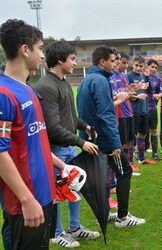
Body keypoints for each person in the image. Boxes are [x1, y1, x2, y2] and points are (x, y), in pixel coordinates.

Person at [0, 18, 68, 249]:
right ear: (25, 49)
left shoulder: (28, 89)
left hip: (43, 194)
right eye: (39, 48)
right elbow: (0, 153)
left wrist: (62, 165)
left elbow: (35, 142)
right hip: (24, 201)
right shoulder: (4, 94)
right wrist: (26, 199)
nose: (42, 55)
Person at [35, 41, 100, 247]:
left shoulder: (63, 81)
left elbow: (69, 116)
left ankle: (75, 228)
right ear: (60, 60)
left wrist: (85, 125)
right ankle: (57, 233)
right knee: (56, 194)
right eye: (72, 58)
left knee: (74, 188)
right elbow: (53, 128)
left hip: (68, 147)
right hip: (54, 150)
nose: (75, 62)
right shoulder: (46, 86)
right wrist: (81, 142)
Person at [77, 46, 146, 227]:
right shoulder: (100, 80)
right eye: (112, 60)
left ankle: (106, 213)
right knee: (124, 172)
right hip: (104, 139)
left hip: (92, 138)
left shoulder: (87, 80)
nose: (114, 63)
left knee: (102, 177)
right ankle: (122, 217)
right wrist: (115, 144)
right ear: (102, 61)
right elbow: (106, 113)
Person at [109, 51, 142, 175]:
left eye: (127, 63)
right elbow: (114, 96)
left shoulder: (124, 76)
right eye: (123, 62)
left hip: (129, 112)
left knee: (129, 141)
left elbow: (127, 95)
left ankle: (127, 165)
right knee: (120, 144)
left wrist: (134, 91)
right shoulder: (111, 76)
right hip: (119, 114)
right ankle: (120, 170)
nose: (125, 65)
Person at [127, 56, 156, 165]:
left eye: (141, 66)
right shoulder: (128, 76)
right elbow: (127, 93)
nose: (138, 68)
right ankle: (130, 162)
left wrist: (148, 78)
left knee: (143, 134)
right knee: (132, 137)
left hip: (144, 110)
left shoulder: (143, 76)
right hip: (134, 111)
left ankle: (141, 158)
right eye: (137, 65)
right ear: (132, 64)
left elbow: (150, 91)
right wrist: (137, 97)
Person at [144, 59, 162, 160]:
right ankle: (140, 152)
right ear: (147, 66)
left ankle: (155, 153)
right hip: (141, 109)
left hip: (152, 108)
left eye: (156, 68)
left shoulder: (157, 79)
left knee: (154, 130)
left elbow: (159, 92)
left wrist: (158, 95)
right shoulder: (141, 77)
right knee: (141, 132)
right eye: (152, 67)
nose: (154, 69)